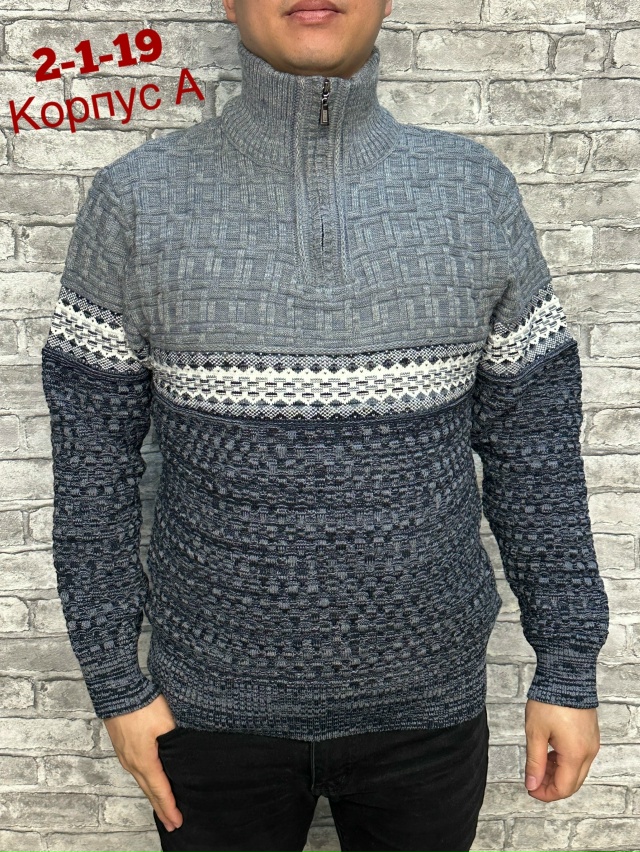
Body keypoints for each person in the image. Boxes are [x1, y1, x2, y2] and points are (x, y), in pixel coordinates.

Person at [40, 1, 610, 850]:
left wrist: (566, 662)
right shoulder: (135, 200)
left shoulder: (473, 191)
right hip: (207, 722)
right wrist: (116, 686)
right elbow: (92, 468)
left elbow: (536, 453)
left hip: (428, 720)